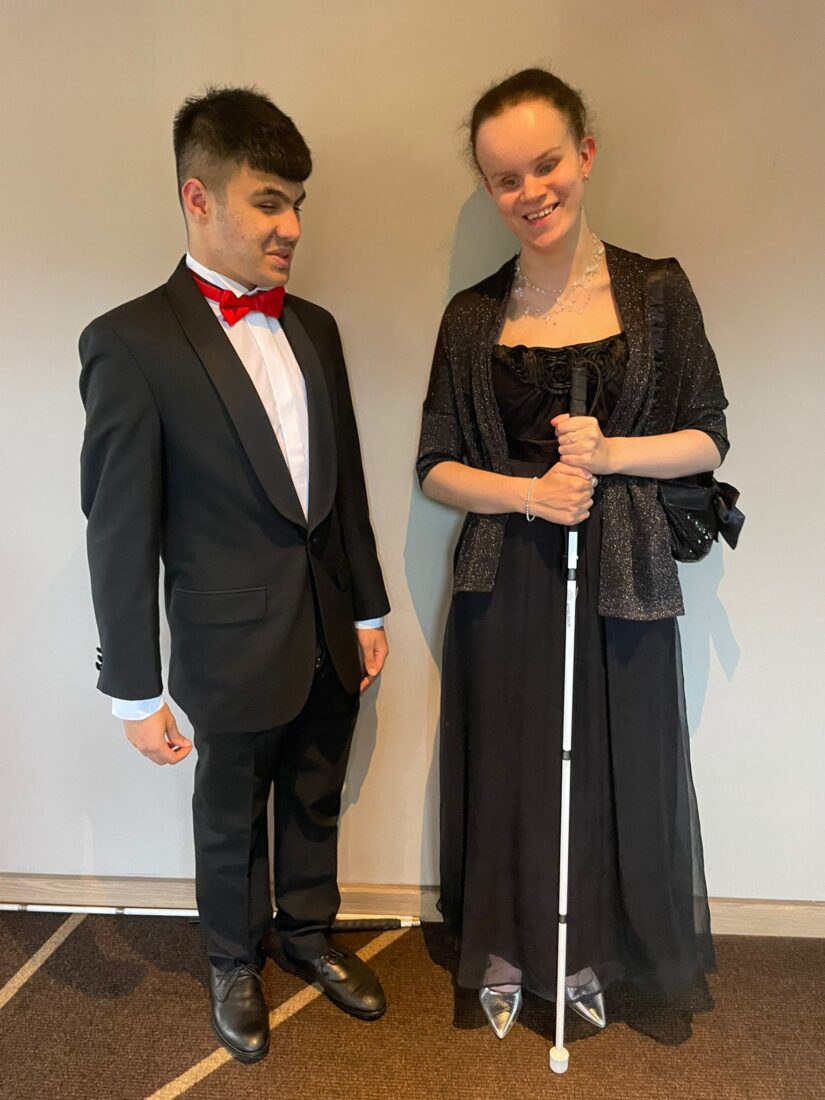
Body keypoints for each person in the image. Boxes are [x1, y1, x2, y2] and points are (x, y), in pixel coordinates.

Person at [80, 87, 390, 1064]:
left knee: (312, 792)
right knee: (230, 812)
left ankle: (305, 934)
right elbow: (117, 526)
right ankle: (231, 959)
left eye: (297, 200)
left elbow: (342, 493)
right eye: (268, 200)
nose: (292, 224)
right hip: (222, 636)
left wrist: (370, 604)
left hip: (329, 620)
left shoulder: (320, 329)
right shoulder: (130, 342)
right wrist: (132, 684)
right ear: (198, 198)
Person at [417, 68, 726, 1040]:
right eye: (505, 178)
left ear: (584, 157)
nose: (530, 191)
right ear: (489, 188)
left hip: (624, 573)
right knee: (513, 764)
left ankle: (593, 951)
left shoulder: (657, 290)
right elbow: (435, 468)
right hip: (504, 579)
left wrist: (612, 453)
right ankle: (508, 950)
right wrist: (528, 491)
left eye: (546, 164)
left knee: (607, 766)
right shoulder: (473, 316)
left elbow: (708, 438)